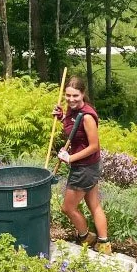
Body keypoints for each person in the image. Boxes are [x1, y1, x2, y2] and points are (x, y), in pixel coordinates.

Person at [52, 76, 111, 254]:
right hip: (88, 166)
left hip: (84, 168)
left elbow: (94, 146)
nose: (71, 99)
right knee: (94, 205)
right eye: (68, 96)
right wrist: (63, 117)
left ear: (83, 94)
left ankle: (86, 237)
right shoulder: (72, 111)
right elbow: (74, 131)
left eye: (75, 96)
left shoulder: (86, 116)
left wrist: (70, 158)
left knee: (68, 207)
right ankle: (104, 243)